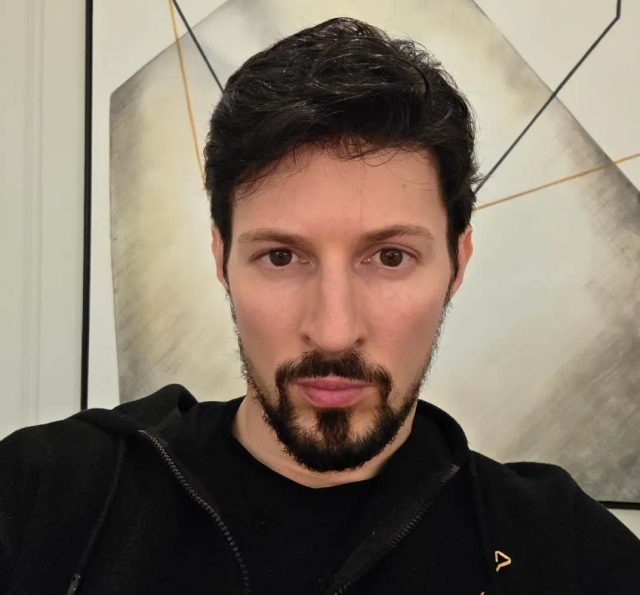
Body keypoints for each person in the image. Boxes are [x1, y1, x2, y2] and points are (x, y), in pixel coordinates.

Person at [1, 16, 638, 595]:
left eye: (390, 257)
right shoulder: (45, 496)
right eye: (281, 257)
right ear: (221, 259)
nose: (333, 331)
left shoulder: (563, 552)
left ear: (457, 262)